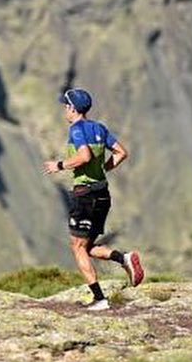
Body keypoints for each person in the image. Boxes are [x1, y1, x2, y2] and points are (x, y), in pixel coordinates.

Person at [43, 87, 144, 310]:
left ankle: (100, 299)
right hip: (102, 195)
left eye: (65, 106)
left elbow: (84, 156)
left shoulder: (76, 130)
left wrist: (58, 165)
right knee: (85, 246)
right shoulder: (99, 128)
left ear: (72, 108)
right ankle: (123, 258)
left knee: (77, 247)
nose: (64, 110)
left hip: (85, 195)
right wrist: (103, 169)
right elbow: (121, 153)